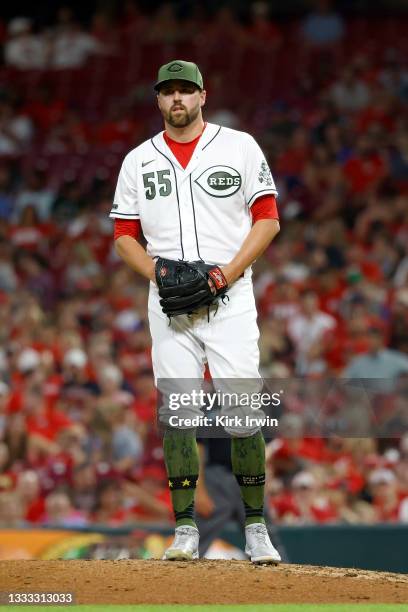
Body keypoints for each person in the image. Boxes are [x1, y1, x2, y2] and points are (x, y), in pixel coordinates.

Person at [111, 60, 281, 564]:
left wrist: (224, 274)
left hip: (228, 295)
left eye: (186, 90)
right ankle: (185, 527)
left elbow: (268, 221)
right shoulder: (138, 160)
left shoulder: (240, 146)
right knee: (177, 412)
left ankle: (255, 528)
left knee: (243, 409)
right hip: (169, 303)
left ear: (203, 95)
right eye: (169, 92)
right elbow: (124, 236)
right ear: (158, 100)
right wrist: (156, 273)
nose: (178, 99)